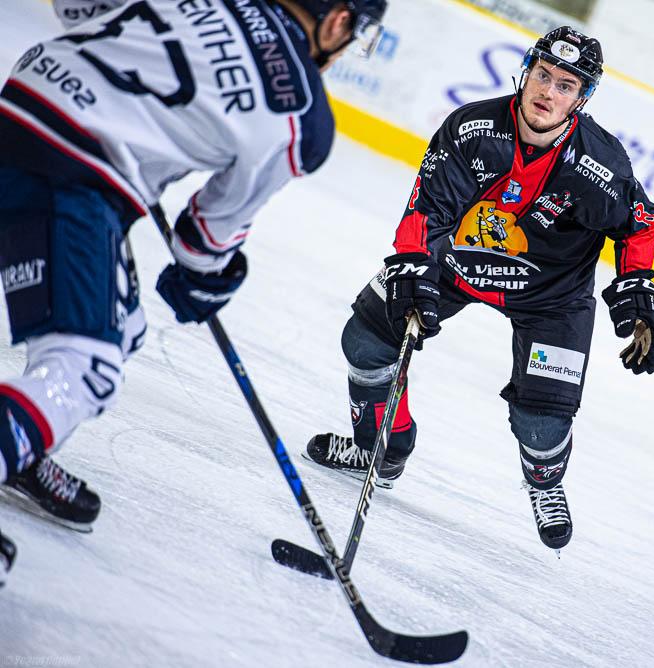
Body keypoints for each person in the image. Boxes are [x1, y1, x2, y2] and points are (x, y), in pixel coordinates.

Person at [0, 0, 387, 578]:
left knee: (122, 326)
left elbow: (76, 8)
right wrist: (208, 281)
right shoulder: (301, 112)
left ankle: (23, 442)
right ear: (337, 21)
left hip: (19, 104)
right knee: (87, 368)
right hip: (70, 169)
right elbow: (204, 239)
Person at [305, 27, 654, 552]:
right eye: (543, 75)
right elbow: (428, 206)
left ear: (582, 98)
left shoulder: (601, 164)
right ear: (526, 70)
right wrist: (412, 265)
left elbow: (639, 222)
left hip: (551, 296)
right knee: (366, 340)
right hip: (455, 266)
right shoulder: (472, 128)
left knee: (541, 425)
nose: (548, 92)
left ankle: (545, 482)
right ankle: (382, 450)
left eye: (566, 85)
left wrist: (636, 285)